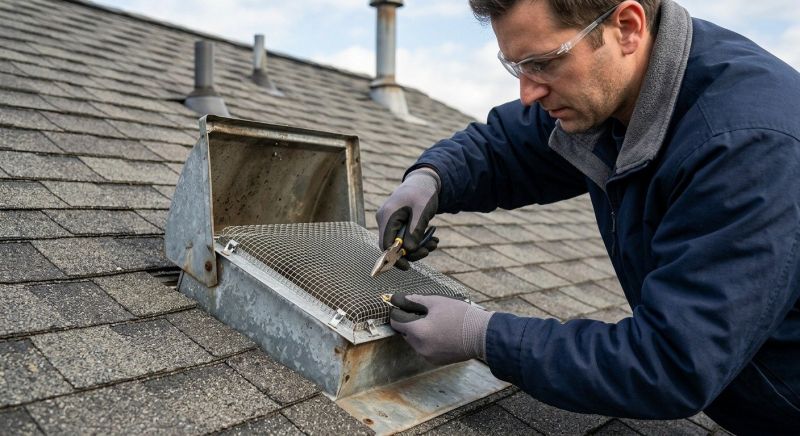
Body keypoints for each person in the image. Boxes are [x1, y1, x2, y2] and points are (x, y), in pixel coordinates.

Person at [375, 0, 800, 433]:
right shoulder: (615, 88)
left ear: (628, 27)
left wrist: (482, 336)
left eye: (543, 63)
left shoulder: (748, 148)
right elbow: (507, 147)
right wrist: (431, 179)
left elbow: (671, 362)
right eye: (516, 65)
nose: (528, 93)